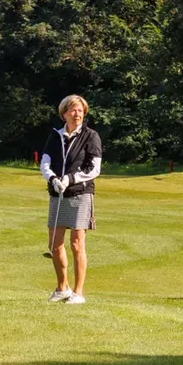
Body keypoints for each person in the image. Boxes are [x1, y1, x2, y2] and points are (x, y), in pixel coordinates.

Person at [39, 94, 102, 304]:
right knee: (54, 244)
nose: (77, 114)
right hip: (58, 193)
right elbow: (45, 162)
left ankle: (78, 292)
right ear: (64, 113)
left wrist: (71, 178)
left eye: (81, 111)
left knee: (77, 244)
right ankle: (62, 287)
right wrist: (54, 179)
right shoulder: (56, 136)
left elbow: (94, 168)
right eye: (73, 110)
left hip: (80, 193)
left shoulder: (90, 136)